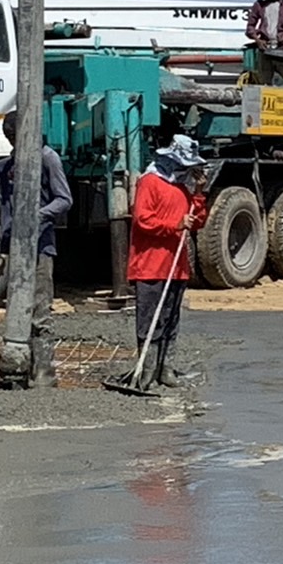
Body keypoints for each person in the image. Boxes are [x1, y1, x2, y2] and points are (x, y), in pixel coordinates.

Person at [0, 107, 73, 388]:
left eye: (14, 136)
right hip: (15, 248)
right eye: (8, 137)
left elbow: (64, 199)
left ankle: (44, 374)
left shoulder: (48, 158)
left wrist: (35, 215)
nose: (11, 141)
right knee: (18, 311)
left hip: (39, 247)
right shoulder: (14, 161)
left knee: (40, 312)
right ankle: (21, 369)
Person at [126, 135, 208, 391]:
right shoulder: (149, 182)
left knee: (171, 320)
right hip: (150, 265)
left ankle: (165, 369)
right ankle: (146, 370)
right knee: (150, 321)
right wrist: (175, 225)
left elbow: (197, 221)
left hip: (176, 267)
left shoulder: (182, 189)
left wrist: (199, 194)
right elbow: (143, 220)